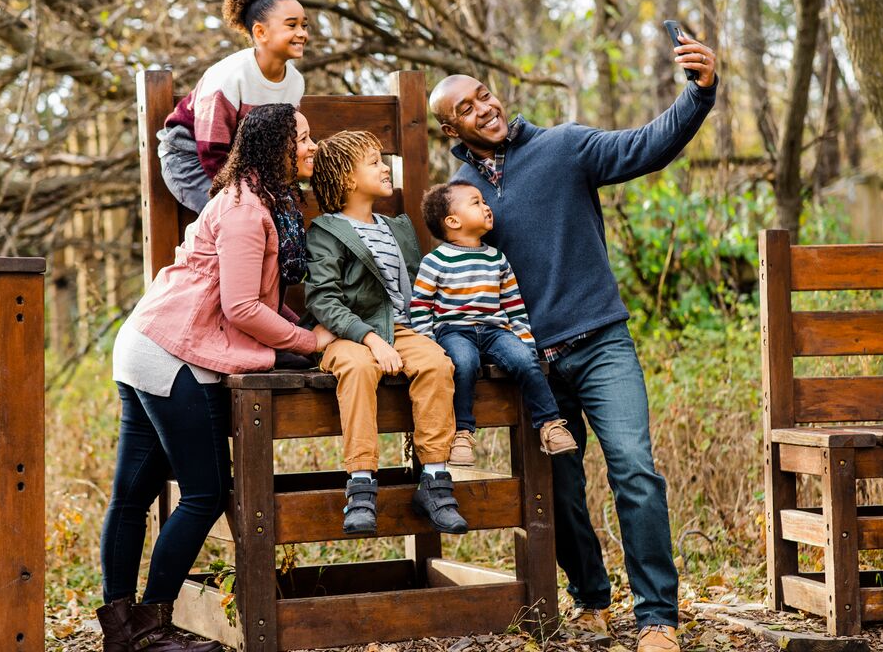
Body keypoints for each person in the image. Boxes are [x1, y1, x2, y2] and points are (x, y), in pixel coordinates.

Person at [427, 33, 718, 652]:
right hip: (532, 363)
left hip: (601, 343)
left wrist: (700, 92)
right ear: (452, 128)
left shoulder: (564, 146)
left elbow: (648, 145)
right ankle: (589, 599)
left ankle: (657, 618)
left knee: (635, 470)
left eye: (486, 96)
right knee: (558, 490)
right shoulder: (458, 199)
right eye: (468, 108)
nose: (486, 108)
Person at [98, 104, 335, 652]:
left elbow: (256, 297)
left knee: (131, 496)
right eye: (302, 138)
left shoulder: (257, 200)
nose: (311, 147)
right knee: (205, 493)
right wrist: (309, 343)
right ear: (276, 147)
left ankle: (122, 630)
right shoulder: (247, 211)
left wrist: (302, 331)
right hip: (173, 352)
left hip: (150, 342)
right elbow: (243, 306)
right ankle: (150, 629)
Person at [304, 130, 466, 536]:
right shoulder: (326, 231)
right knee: (358, 370)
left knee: (436, 365)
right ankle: (360, 484)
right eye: (374, 161)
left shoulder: (398, 227)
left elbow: (417, 288)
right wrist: (370, 338)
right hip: (349, 334)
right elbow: (323, 300)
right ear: (346, 178)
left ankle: (434, 478)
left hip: (401, 330)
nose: (384, 167)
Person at [410, 181, 578, 467]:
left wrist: (524, 340)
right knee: (463, 363)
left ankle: (550, 425)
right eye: (476, 203)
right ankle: (462, 433)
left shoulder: (497, 258)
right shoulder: (435, 261)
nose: (486, 206)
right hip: (454, 331)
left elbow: (513, 304)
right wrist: (429, 346)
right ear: (453, 221)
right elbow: (420, 306)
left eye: (484, 201)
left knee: (525, 360)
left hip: (494, 331)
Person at [158, 0, 308, 213]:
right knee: (238, 213)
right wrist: (248, 197)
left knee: (277, 213)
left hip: (241, 166)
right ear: (260, 33)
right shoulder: (228, 77)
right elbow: (211, 151)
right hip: (190, 159)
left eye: (304, 25)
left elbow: (279, 144)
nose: (302, 33)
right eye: (292, 25)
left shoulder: (295, 83)